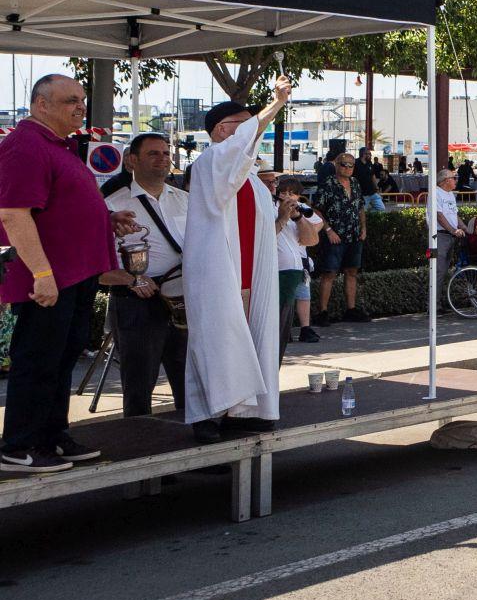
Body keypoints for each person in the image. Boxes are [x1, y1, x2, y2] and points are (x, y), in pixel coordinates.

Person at [0, 74, 133, 473]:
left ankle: (51, 437)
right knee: (39, 358)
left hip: (74, 275)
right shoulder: (25, 145)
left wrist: (106, 219)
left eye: (81, 100)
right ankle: (19, 445)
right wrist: (42, 273)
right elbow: (13, 213)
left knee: (62, 357)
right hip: (51, 279)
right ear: (42, 104)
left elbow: (60, 207)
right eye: (70, 100)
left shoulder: (57, 146)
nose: (80, 107)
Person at [183, 79, 292, 443]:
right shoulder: (210, 163)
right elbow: (240, 147)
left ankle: (246, 409)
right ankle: (208, 415)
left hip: (249, 273)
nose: (253, 134)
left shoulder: (254, 181)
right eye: (245, 126)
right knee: (218, 339)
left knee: (249, 337)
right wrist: (274, 105)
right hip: (220, 272)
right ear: (222, 130)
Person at [103, 132, 191, 417]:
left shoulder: (186, 200)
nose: (162, 159)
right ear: (132, 160)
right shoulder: (111, 204)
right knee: (139, 383)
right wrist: (131, 280)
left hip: (183, 301)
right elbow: (95, 266)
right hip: (137, 303)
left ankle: (193, 450)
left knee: (189, 380)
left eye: (165, 153)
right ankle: (137, 447)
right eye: (153, 153)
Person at [309, 148, 369, 324]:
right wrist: (328, 230)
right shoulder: (327, 184)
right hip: (335, 235)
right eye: (344, 164)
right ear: (336, 165)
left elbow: (360, 207)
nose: (348, 168)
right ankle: (322, 312)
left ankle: (350, 309)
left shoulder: (356, 183)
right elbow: (316, 209)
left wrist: (363, 228)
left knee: (352, 271)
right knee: (329, 273)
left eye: (351, 165)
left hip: (354, 234)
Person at [274, 175, 322, 347]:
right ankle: (282, 332)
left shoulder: (300, 208)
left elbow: (314, 232)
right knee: (283, 301)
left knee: (302, 295)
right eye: (283, 192)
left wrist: (299, 218)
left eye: (292, 193)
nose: (287, 196)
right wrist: (283, 216)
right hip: (278, 266)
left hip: (298, 262)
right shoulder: (271, 207)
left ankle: (304, 328)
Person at [431, 168, 463, 280]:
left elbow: (454, 214)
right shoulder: (435, 193)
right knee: (438, 272)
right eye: (454, 178)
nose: (456, 180)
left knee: (444, 271)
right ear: (445, 180)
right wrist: (453, 230)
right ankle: (434, 297)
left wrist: (465, 228)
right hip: (439, 236)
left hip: (450, 236)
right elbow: (439, 216)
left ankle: (439, 296)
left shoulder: (450, 194)